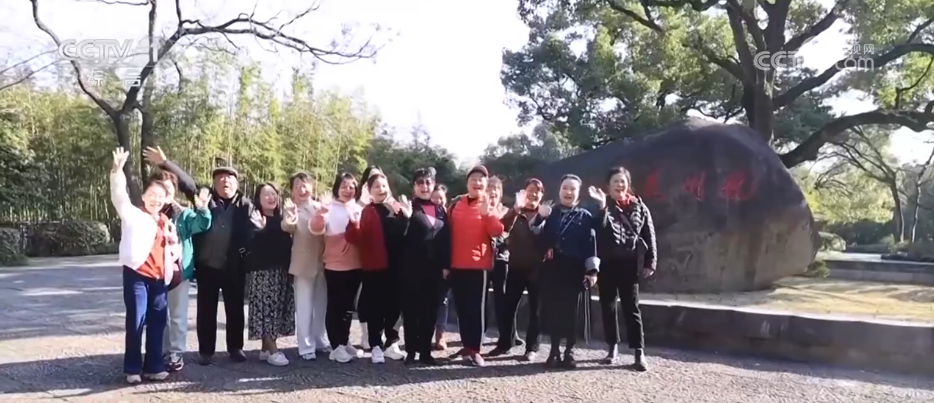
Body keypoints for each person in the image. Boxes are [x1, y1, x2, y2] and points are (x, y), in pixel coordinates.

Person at [110, 147, 182, 384]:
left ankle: (154, 366)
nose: (156, 199)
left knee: (157, 323)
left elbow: (173, 252)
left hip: (159, 279)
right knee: (136, 320)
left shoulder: (165, 221)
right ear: (143, 196)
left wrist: (173, 241)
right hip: (137, 276)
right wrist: (117, 171)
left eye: (160, 197)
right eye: (152, 195)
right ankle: (132, 368)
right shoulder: (133, 215)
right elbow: (119, 196)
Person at [142, 147, 212, 373]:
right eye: (161, 189)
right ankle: (159, 350)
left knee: (178, 315)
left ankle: (176, 352)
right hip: (154, 272)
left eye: (170, 188)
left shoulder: (184, 214)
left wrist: (203, 210)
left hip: (179, 272)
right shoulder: (147, 215)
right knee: (158, 314)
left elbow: (202, 225)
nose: (166, 193)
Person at [590, 166, 657, 372]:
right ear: (608, 185)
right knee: (608, 307)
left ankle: (638, 352)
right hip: (607, 264)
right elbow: (598, 231)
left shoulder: (639, 206)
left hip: (630, 265)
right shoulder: (603, 205)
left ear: (628, 184)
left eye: (622, 181)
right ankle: (612, 348)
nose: (619, 185)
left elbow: (649, 235)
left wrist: (650, 262)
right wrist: (602, 207)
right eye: (615, 181)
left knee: (631, 308)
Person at [531, 174, 599, 369]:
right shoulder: (549, 212)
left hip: (575, 270)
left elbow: (591, 244)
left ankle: (570, 351)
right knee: (553, 311)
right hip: (552, 268)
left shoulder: (585, 216)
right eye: (565, 188)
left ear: (578, 192)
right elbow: (535, 235)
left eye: (572, 189)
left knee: (572, 312)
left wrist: (592, 271)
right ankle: (554, 351)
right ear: (559, 190)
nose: (568, 192)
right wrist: (539, 217)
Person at [191, 164, 254, 365]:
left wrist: (245, 254)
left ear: (237, 182)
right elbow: (187, 183)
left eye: (230, 178)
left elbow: (254, 233)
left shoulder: (245, 205)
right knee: (206, 310)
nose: (225, 181)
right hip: (207, 265)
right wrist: (165, 162)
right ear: (214, 183)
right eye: (221, 178)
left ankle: (235, 348)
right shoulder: (206, 199)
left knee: (235, 309)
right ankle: (206, 351)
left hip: (234, 266)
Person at [345, 172, 408, 363]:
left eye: (384, 185)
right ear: (370, 191)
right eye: (377, 186)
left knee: (394, 307)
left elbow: (407, 235)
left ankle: (392, 343)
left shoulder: (397, 208)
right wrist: (355, 219)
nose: (381, 189)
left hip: (396, 266)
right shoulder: (367, 210)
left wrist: (407, 217)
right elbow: (354, 238)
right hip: (374, 267)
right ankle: (375, 345)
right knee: (375, 308)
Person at [447, 165, 505, 367]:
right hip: (456, 264)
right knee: (462, 308)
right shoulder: (455, 206)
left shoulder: (488, 205)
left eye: (481, 179)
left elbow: (497, 231)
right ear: (467, 183)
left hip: (478, 265)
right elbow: (447, 233)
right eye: (473, 178)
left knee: (476, 309)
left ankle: (476, 349)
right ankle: (466, 346)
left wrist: (487, 214)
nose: (477, 182)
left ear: (486, 184)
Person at [310, 172, 365, 363]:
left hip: (356, 263)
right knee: (336, 306)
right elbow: (315, 229)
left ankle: (344, 341)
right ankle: (335, 346)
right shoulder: (329, 207)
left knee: (349, 307)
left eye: (352, 187)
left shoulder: (358, 208)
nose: (348, 190)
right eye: (344, 186)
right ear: (336, 188)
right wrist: (321, 213)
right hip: (335, 264)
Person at [398, 167, 450, 366]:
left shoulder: (441, 209)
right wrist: (405, 218)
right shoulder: (407, 207)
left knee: (430, 312)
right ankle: (411, 351)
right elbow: (398, 236)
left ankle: (426, 352)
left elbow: (446, 239)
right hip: (411, 268)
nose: (425, 186)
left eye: (428, 182)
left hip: (434, 269)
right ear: (414, 186)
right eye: (420, 182)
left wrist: (446, 265)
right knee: (411, 312)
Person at [488, 178, 545, 360]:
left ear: (542, 195)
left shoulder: (545, 215)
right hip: (515, 267)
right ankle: (505, 343)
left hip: (538, 269)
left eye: (537, 191)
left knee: (536, 310)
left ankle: (532, 348)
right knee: (508, 307)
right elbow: (501, 228)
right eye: (530, 190)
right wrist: (515, 210)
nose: (533, 194)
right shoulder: (516, 213)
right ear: (523, 193)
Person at [245, 183, 295, 367]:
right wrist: (260, 230)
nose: (271, 197)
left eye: (273, 194)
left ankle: (265, 348)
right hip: (262, 272)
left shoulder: (283, 218)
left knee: (277, 309)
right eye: (266, 194)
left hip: (281, 271)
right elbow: (247, 245)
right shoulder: (254, 218)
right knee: (267, 310)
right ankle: (273, 349)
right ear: (258, 199)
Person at [281, 172, 330, 361]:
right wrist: (290, 216)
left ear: (312, 187)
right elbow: (287, 226)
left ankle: (320, 340)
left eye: (305, 185)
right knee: (304, 307)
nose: (302, 189)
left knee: (321, 305)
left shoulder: (320, 207)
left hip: (322, 263)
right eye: (297, 186)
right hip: (302, 265)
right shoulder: (291, 209)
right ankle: (306, 346)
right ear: (292, 191)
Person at [485, 176, 522, 352]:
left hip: (502, 260)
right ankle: (479, 334)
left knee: (504, 300)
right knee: (482, 300)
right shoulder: (481, 211)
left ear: (500, 193)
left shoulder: (508, 212)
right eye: (489, 189)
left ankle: (509, 334)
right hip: (483, 260)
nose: (493, 192)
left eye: (496, 189)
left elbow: (510, 235)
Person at [355, 165, 384, 350]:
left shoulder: (388, 203)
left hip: (380, 260)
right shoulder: (358, 202)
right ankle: (365, 335)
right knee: (364, 296)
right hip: (359, 257)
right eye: (372, 179)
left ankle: (378, 335)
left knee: (378, 298)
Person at [430, 184, 452, 350]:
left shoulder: (449, 215)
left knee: (443, 300)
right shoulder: (423, 213)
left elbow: (449, 242)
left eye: (441, 197)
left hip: (444, 264)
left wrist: (446, 265)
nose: (437, 200)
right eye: (434, 197)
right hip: (426, 263)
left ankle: (440, 334)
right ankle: (425, 333)